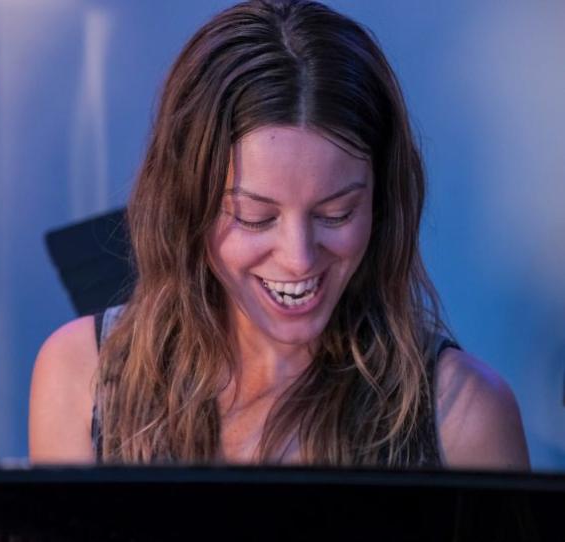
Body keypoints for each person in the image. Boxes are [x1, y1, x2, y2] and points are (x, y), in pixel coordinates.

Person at [29, 0, 529, 468]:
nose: (299, 258)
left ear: (381, 206)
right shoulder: (83, 376)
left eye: (336, 213)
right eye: (254, 216)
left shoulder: (463, 416)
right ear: (186, 206)